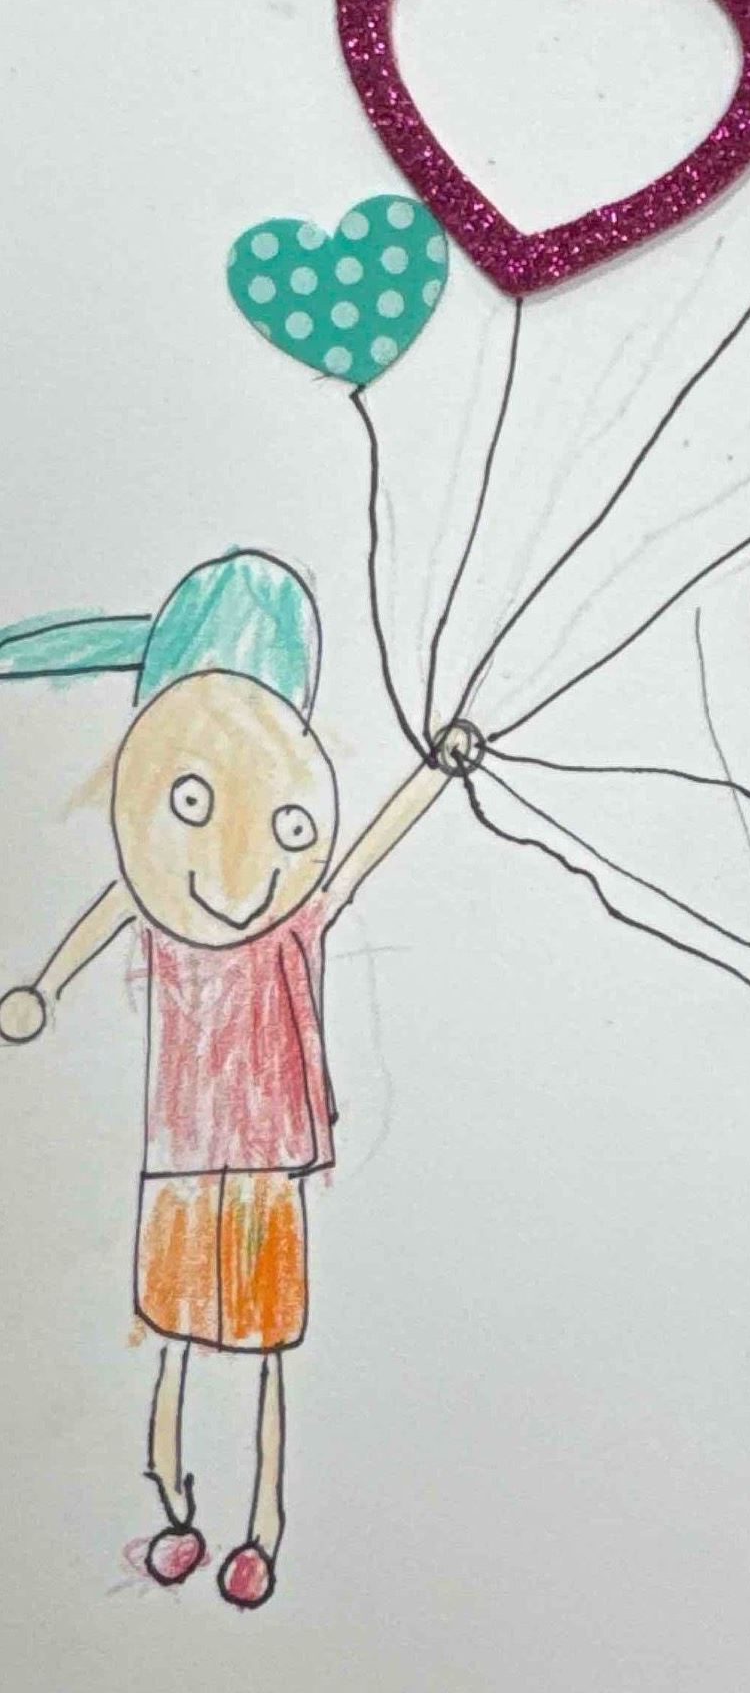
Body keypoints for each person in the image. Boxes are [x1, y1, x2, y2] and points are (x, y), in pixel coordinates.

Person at [0, 550, 472, 1608]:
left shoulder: (294, 915)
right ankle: (175, 1506)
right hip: (179, 1152)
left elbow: (361, 857)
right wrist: (39, 988)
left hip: (263, 1159)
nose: (238, 863)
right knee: (174, 1333)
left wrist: (435, 773)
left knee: (260, 1346)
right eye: (194, 797)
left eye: (284, 822)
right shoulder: (157, 904)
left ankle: (259, 1528)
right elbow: (103, 916)